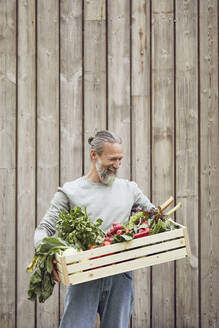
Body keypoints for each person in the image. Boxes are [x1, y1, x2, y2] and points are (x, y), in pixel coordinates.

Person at [34, 130, 156, 328]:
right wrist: (49, 256)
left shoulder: (130, 189)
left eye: (120, 159)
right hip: (83, 274)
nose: (117, 165)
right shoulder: (70, 191)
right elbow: (44, 228)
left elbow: (154, 215)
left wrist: (157, 219)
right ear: (94, 155)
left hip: (120, 275)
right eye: (112, 159)